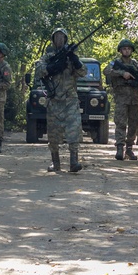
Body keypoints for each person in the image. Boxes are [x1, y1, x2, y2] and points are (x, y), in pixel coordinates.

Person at [34, 27, 86, 173]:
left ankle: (74, 161)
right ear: (53, 39)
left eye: (62, 37)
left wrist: (75, 61)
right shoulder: (47, 57)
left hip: (70, 100)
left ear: (65, 39)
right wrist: (53, 67)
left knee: (73, 131)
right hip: (54, 100)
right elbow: (38, 70)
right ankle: (55, 162)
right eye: (56, 37)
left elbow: (83, 72)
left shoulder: (71, 57)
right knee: (53, 133)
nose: (59, 39)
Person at [103, 39, 138, 160]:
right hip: (121, 97)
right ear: (120, 50)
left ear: (131, 50)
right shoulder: (115, 63)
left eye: (128, 49)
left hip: (134, 97)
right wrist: (122, 73)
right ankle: (120, 147)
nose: (126, 51)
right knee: (120, 122)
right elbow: (106, 71)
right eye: (124, 49)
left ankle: (129, 148)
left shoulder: (136, 64)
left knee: (134, 123)